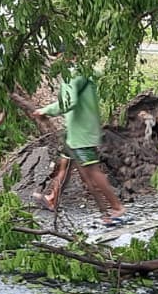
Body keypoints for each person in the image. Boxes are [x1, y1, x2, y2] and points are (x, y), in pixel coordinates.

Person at [34, 66, 127, 226]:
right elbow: (68, 100)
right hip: (77, 130)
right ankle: (52, 198)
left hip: (81, 133)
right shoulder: (83, 71)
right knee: (65, 165)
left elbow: (68, 102)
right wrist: (46, 110)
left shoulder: (73, 74)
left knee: (91, 172)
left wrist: (47, 110)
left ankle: (116, 207)